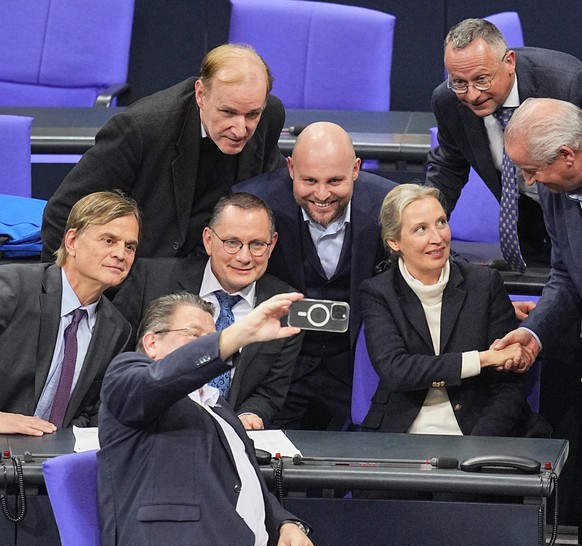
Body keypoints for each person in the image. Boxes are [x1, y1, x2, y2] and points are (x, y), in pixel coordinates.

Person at [98, 291, 314, 546]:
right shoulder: (126, 378)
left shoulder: (218, 405)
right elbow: (160, 379)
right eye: (194, 334)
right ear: (152, 342)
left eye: (212, 336)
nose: (210, 344)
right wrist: (238, 335)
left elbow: (242, 483)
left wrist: (285, 524)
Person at [41, 43, 286, 260]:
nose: (240, 129)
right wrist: (60, 298)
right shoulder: (141, 128)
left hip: (219, 268)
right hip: (145, 274)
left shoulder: (270, 116)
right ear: (201, 94)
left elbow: (271, 196)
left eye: (252, 114)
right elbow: (62, 212)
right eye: (228, 112)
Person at [232, 122, 398, 430]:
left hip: (358, 370)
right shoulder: (252, 205)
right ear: (291, 168)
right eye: (310, 180)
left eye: (334, 180)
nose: (322, 195)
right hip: (280, 371)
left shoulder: (390, 204)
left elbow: (430, 258)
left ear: (356, 169)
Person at [358, 183, 544, 437]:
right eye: (420, 229)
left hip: (478, 430)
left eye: (441, 222)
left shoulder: (485, 284)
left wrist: (478, 443)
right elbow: (396, 371)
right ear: (394, 241)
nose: (437, 237)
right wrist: (483, 358)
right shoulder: (379, 292)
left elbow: (509, 386)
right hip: (399, 433)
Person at [113, 192, 302, 429]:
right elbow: (114, 360)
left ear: (272, 244)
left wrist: (251, 415)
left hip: (227, 440)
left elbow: (270, 392)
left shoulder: (283, 306)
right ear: (208, 240)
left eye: (257, 245)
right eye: (232, 243)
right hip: (150, 427)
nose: (244, 257)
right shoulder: (152, 280)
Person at [426, 18, 582, 273]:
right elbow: (448, 170)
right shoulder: (448, 101)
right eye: (459, 82)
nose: (472, 94)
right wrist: (425, 221)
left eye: (482, 80)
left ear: (509, 62)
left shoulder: (568, 84)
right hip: (527, 229)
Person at [494, 97, 582, 526]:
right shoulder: (556, 193)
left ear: (568, 155)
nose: (527, 181)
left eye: (532, 170)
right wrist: (535, 332)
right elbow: (566, 276)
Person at [0, 191, 140, 435]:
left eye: (130, 246)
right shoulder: (13, 288)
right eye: (109, 240)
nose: (121, 254)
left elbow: (88, 410)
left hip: (55, 460)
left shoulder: (118, 329)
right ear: (72, 241)